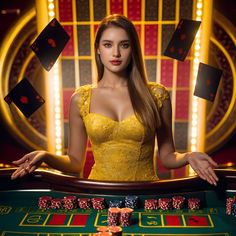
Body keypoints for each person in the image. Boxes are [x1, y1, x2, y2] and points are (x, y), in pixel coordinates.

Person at [11, 14, 218, 185]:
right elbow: (75, 162)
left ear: (132, 50)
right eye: (108, 44)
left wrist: (189, 156)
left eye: (124, 45)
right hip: (98, 193)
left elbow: (168, 156)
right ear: (98, 50)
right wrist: (45, 156)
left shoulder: (157, 95)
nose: (116, 53)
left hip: (146, 192)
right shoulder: (81, 99)